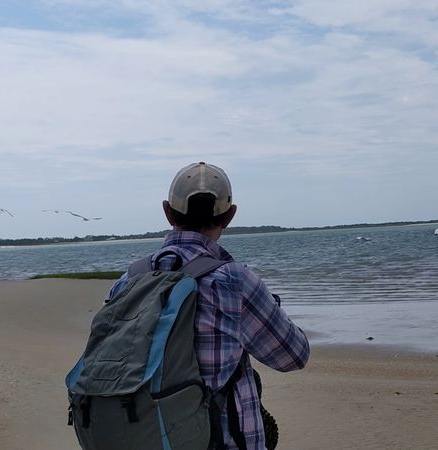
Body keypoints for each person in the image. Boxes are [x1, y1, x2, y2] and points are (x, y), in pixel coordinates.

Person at [105, 162, 310, 449]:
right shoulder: (234, 281)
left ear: (167, 212)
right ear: (229, 216)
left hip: (141, 437)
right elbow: (294, 355)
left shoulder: (128, 281)